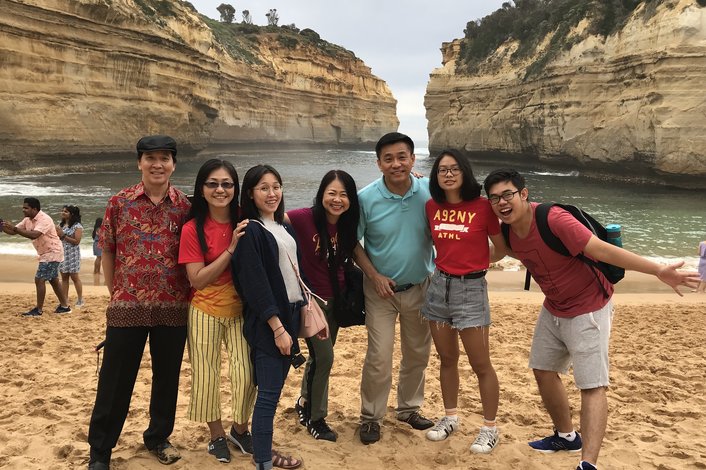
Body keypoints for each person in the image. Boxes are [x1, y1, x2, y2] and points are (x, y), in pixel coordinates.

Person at [482, 168, 701, 470]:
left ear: (524, 193)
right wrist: (448, 243)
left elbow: (602, 250)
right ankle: (566, 436)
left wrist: (658, 270)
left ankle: (588, 464)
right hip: (554, 307)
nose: (502, 202)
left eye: (507, 194)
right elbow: (496, 253)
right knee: (543, 370)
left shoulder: (554, 219)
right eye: (494, 199)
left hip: (589, 307)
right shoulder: (507, 231)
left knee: (592, 385)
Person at [86, 135, 191, 470]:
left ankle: (158, 437)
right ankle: (100, 450)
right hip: (126, 306)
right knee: (115, 380)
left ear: (173, 164)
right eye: (150, 158)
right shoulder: (119, 202)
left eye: (164, 158)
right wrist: (116, 292)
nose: (157, 164)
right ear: (139, 163)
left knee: (167, 379)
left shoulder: (186, 207)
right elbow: (108, 249)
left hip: (173, 307)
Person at [353, 132, 435, 445]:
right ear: (379, 164)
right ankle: (371, 418)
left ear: (413, 159)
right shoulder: (365, 198)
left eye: (402, 157)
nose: (396, 164)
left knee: (417, 354)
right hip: (380, 292)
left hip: (420, 286)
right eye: (388, 159)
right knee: (379, 356)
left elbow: (458, 207)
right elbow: (353, 243)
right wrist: (374, 275)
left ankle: (408, 409)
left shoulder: (429, 190)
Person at [421, 149, 504, 453]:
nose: (448, 174)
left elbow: (500, 248)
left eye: (454, 168)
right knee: (447, 359)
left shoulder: (482, 207)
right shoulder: (431, 206)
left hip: (471, 289)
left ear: (465, 172)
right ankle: (450, 417)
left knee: (481, 364)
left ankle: (490, 428)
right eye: (442, 169)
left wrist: (476, 263)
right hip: (438, 286)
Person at [178, 159, 256, 463]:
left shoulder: (245, 218)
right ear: (201, 189)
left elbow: (278, 218)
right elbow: (197, 279)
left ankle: (240, 429)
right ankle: (216, 436)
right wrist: (231, 248)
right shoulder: (192, 229)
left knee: (246, 373)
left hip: (240, 310)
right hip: (203, 309)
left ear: (236, 188)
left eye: (227, 184)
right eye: (212, 184)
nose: (220, 189)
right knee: (206, 375)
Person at [232, 164, 307, 470]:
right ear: (250, 193)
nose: (272, 193)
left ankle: (261, 452)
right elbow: (255, 284)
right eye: (263, 188)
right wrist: (277, 327)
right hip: (269, 321)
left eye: (276, 186)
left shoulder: (282, 226)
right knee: (268, 395)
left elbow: (294, 275)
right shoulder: (250, 230)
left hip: (290, 314)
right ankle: (262, 459)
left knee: (272, 391)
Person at [287, 170, 360, 442]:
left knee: (319, 358)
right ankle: (316, 418)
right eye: (332, 193)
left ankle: (304, 401)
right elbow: (271, 216)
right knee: (325, 358)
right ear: (321, 194)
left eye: (344, 194)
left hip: (336, 301)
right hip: (312, 302)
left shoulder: (347, 223)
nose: (337, 199)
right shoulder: (303, 217)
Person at [1, 197, 71, 316]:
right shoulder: (27, 220)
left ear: (34, 209)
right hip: (45, 253)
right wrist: (2, 226)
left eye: (26, 208)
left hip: (52, 252)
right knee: (53, 280)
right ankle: (65, 307)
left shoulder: (44, 219)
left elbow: (34, 235)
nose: (23, 210)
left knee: (39, 279)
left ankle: (38, 310)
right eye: (23, 208)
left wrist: (14, 228)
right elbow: (13, 232)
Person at [57, 205, 84, 307]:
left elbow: (76, 241)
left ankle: (80, 300)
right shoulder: (61, 225)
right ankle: (65, 300)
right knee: (64, 277)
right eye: (62, 211)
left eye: (66, 211)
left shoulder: (77, 226)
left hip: (73, 254)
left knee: (74, 277)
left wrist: (63, 235)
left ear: (71, 214)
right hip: (63, 253)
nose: (63, 213)